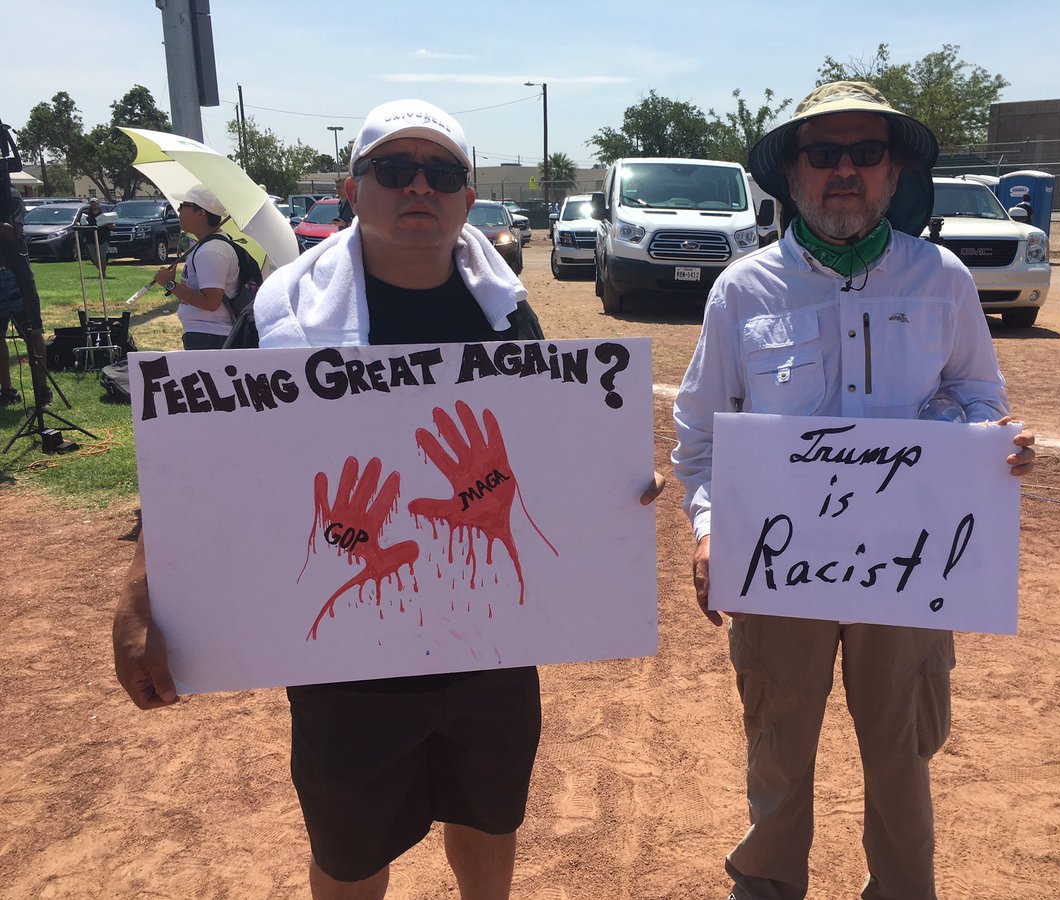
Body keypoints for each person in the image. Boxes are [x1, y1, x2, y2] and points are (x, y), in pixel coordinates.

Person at [114, 98, 663, 900]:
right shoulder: (281, 323)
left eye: (441, 173)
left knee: (489, 818)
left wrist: (604, 492)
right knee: (350, 846)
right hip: (344, 651)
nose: (419, 187)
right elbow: (194, 462)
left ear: (467, 201)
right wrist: (137, 592)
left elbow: (544, 462)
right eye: (393, 170)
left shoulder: (508, 319)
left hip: (490, 639)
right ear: (352, 188)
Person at [671, 81, 1037, 900]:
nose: (844, 171)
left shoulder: (940, 279)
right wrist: (704, 531)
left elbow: (982, 396)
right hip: (779, 573)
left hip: (909, 576)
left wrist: (987, 451)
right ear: (792, 176)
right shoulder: (743, 290)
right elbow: (699, 437)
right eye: (823, 155)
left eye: (864, 154)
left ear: (894, 171)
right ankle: (765, 887)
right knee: (777, 746)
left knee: (903, 750)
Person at [153, 186, 237, 350]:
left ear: (201, 213)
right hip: (205, 335)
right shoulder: (206, 246)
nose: (179, 210)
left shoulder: (211, 250)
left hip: (210, 337)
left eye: (184, 206)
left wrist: (170, 284)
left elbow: (210, 302)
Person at [0, 179, 50, 407]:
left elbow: (13, 234)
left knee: (32, 333)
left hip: (16, 278)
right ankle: (7, 390)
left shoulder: (10, 196)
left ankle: (42, 390)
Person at [79, 197, 114, 276]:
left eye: (95, 203)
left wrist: (109, 225)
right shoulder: (85, 214)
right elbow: (78, 223)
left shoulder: (104, 214)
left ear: (98, 204)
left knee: (102, 256)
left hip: (103, 238)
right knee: (95, 258)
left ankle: (102, 273)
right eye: (92, 204)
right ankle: (102, 271)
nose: (94, 205)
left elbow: (113, 226)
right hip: (90, 239)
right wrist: (78, 224)